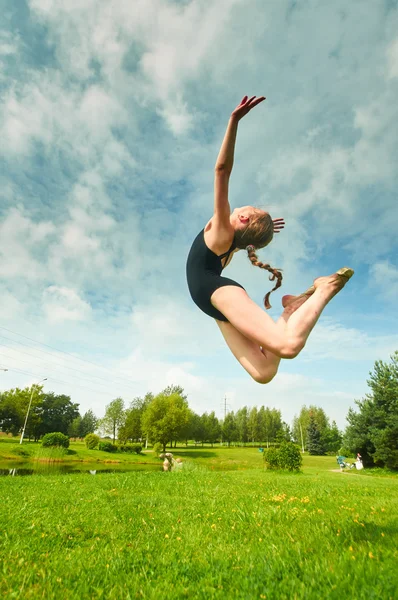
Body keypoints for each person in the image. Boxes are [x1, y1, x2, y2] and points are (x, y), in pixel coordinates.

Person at [186, 95, 354, 383]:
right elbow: (247, 237)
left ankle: (326, 287)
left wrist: (233, 122)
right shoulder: (231, 241)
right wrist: (261, 226)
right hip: (210, 303)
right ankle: (290, 310)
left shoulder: (222, 231)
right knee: (264, 372)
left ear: (241, 220)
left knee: (287, 346)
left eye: (248, 209)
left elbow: (221, 171)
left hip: (216, 294)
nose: (241, 207)